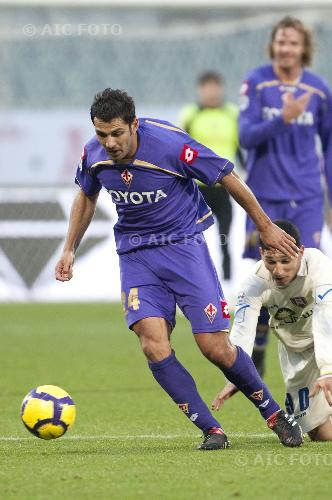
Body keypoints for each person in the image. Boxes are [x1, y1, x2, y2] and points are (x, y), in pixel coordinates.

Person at [55, 88, 302, 450]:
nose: (109, 143)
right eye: (101, 134)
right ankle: (211, 429)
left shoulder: (171, 144)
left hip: (184, 248)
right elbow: (87, 195)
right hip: (136, 255)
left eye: (117, 133)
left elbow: (227, 175)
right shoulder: (93, 155)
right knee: (152, 344)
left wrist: (264, 225)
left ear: (134, 125)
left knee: (214, 347)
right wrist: (69, 248)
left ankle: (273, 412)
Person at [238, 16, 332, 376]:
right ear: (272, 46)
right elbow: (245, 137)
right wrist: (284, 118)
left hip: (307, 198)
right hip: (264, 198)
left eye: (293, 43)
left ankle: (314, 361)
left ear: (304, 48)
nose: (286, 49)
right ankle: (256, 355)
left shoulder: (320, 90)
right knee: (265, 275)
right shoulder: (257, 83)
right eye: (280, 42)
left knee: (306, 275)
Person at [213, 220, 332, 441]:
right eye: (270, 261)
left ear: (301, 252)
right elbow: (242, 332)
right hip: (297, 352)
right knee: (321, 434)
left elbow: (327, 316)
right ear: (261, 253)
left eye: (285, 261)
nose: (278, 270)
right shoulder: (254, 283)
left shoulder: (319, 265)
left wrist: (327, 369)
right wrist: (236, 374)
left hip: (328, 340)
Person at [179, 71, 241, 280]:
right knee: (191, 239)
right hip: (197, 188)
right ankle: (192, 283)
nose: (212, 92)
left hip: (225, 186)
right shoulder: (190, 114)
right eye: (207, 87)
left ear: (222, 89)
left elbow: (240, 147)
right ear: (200, 90)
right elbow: (179, 148)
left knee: (225, 238)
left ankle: (228, 284)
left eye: (216, 86)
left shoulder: (232, 114)